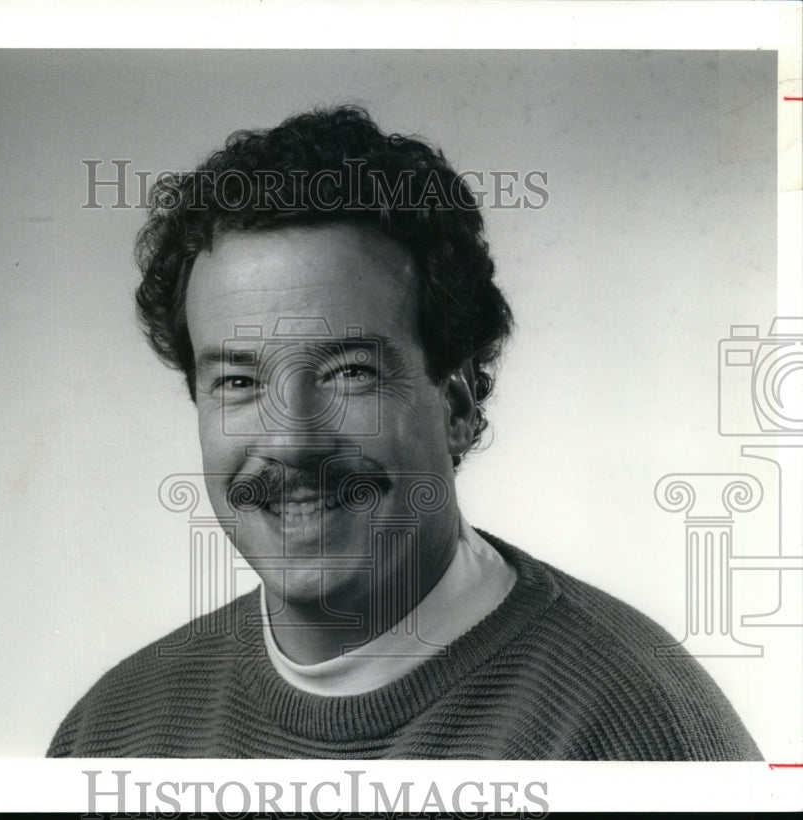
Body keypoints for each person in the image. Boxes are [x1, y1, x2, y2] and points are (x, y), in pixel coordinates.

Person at [48, 106, 760, 760]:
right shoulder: (110, 733)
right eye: (239, 382)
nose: (293, 442)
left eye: (349, 373)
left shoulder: (636, 732)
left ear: (457, 403)